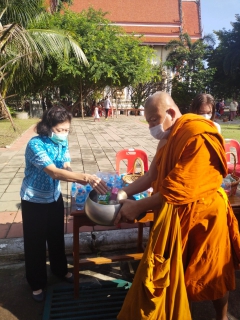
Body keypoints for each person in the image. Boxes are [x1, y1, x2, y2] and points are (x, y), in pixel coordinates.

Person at [115, 92, 240, 320]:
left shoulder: (197, 135)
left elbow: (177, 187)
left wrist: (139, 205)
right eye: (149, 121)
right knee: (176, 272)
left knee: (212, 271)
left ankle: (221, 316)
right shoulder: (167, 138)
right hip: (177, 214)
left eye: (154, 119)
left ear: (171, 113)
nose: (151, 126)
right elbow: (152, 175)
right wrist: (123, 192)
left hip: (206, 215)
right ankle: (179, 311)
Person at [20, 106, 107, 302]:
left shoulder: (62, 142)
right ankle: (36, 283)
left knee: (56, 236)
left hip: (54, 197)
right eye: (59, 130)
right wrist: (83, 177)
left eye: (66, 129)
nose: (63, 134)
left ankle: (60, 271)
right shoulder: (35, 145)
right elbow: (53, 172)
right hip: (34, 199)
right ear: (47, 127)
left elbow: (65, 166)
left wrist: (77, 180)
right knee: (35, 243)